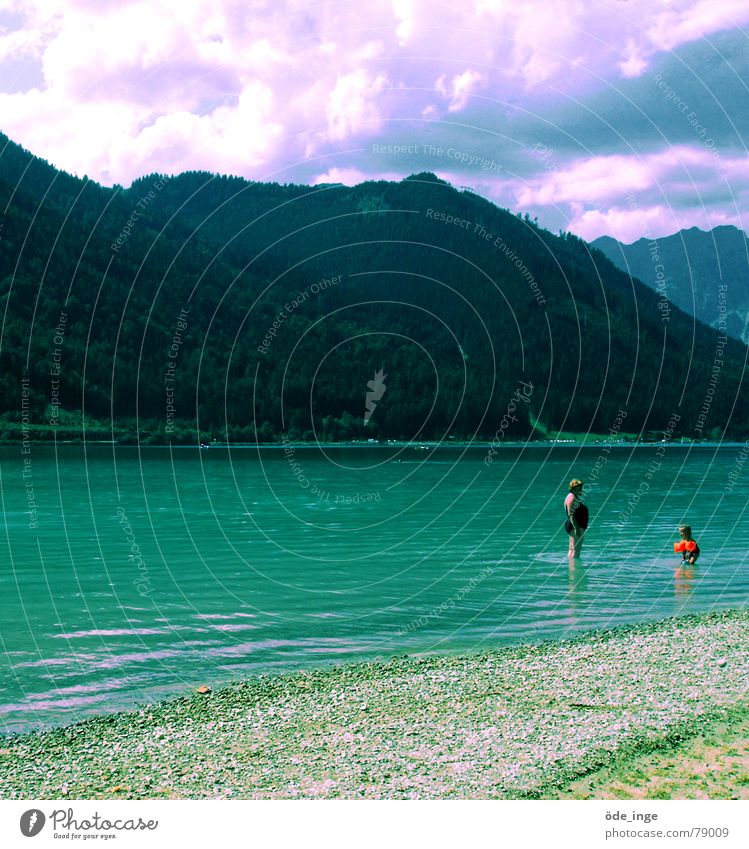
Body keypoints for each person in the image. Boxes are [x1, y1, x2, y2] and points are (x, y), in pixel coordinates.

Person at [564, 478, 588, 558]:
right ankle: (576, 569)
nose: (581, 491)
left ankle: (571, 568)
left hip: (573, 525)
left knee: (572, 549)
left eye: (581, 489)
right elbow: (571, 515)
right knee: (576, 550)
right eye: (578, 489)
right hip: (576, 526)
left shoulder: (571, 496)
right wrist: (576, 529)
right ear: (572, 489)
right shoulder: (572, 498)